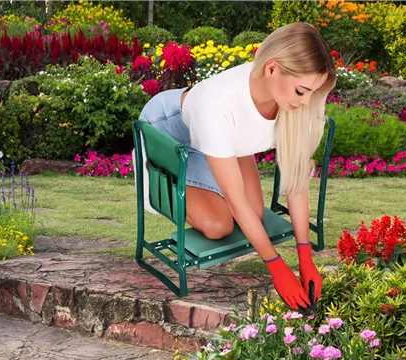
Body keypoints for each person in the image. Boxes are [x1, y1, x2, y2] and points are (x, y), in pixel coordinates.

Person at [138, 22, 336, 310]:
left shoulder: (292, 101)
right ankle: (175, 177)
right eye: (301, 91)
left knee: (255, 213)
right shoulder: (216, 104)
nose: (306, 102)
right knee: (220, 225)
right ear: (272, 68)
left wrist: (305, 257)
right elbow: (236, 200)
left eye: (312, 93)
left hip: (225, 136)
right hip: (172, 132)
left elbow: (295, 183)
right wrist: (277, 267)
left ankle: (213, 169)